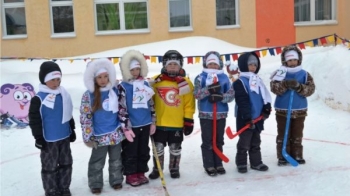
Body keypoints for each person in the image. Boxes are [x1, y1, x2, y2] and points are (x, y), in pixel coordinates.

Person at [28, 61, 76, 196]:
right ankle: (51, 190)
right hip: (48, 140)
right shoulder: (38, 98)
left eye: (58, 79)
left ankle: (64, 187)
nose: (56, 83)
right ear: (44, 80)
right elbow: (35, 120)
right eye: (52, 80)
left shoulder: (63, 95)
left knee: (66, 164)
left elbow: (68, 113)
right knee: (49, 166)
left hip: (64, 137)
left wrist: (71, 130)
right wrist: (38, 137)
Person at [148, 50, 195, 179]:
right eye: (170, 64)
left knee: (175, 148)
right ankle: (157, 169)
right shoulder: (155, 81)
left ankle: (174, 168)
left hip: (176, 123)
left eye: (176, 64)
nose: (173, 66)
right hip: (159, 123)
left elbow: (189, 104)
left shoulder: (186, 83)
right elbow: (148, 100)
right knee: (157, 149)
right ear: (164, 65)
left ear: (180, 66)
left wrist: (188, 120)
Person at [80, 58, 124, 194]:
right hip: (99, 136)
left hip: (115, 133)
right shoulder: (89, 95)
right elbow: (85, 116)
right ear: (93, 78)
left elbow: (122, 109)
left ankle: (116, 180)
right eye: (99, 77)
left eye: (105, 76)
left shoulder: (114, 91)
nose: (103, 80)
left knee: (116, 159)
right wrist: (88, 136)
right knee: (97, 161)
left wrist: (124, 127)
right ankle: (95, 183)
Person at [270, 45, 315, 166]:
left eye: (294, 60)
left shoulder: (305, 74)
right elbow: (274, 88)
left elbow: (311, 89)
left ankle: (297, 154)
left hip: (299, 109)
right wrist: (284, 84)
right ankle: (283, 155)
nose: (293, 62)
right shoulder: (280, 74)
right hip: (282, 110)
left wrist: (299, 87)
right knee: (283, 133)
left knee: (297, 133)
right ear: (285, 61)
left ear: (299, 59)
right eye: (290, 60)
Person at [117, 50, 156, 186]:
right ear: (128, 70)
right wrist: (125, 127)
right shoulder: (123, 87)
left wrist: (153, 121)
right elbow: (121, 107)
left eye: (138, 69)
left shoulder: (145, 84)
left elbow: (151, 103)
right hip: (132, 125)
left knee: (143, 150)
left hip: (145, 123)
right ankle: (131, 174)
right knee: (130, 151)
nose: (136, 72)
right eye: (133, 70)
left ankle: (141, 172)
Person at [193, 51, 235, 176]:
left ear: (219, 65)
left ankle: (218, 163)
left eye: (215, 64)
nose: (213, 66)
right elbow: (196, 94)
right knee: (208, 140)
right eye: (210, 63)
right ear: (206, 64)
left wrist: (220, 96)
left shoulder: (224, 77)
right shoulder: (200, 78)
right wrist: (208, 90)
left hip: (220, 113)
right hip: (206, 113)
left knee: (219, 139)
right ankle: (209, 164)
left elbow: (231, 95)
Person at [233, 52, 272, 173]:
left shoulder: (257, 80)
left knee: (256, 141)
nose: (253, 66)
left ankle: (256, 162)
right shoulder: (240, 82)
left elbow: (265, 95)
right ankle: (241, 163)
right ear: (244, 65)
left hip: (258, 117)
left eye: (255, 64)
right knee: (244, 143)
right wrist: (247, 117)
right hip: (246, 117)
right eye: (250, 64)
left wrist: (266, 108)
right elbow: (242, 101)